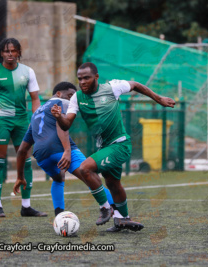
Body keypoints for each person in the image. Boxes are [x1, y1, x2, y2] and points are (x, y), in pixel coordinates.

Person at [51, 62, 175, 232]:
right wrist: (59, 116)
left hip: (120, 144)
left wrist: (159, 99)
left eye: (86, 78)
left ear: (96, 77)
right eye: (79, 79)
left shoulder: (112, 87)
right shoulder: (77, 98)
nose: (82, 82)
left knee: (85, 168)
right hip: (104, 148)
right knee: (113, 184)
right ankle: (122, 220)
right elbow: (66, 124)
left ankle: (105, 207)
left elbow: (136, 85)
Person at [13, 82, 114, 216]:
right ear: (59, 94)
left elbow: (21, 150)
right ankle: (118, 213)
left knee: (59, 179)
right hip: (60, 147)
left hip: (41, 154)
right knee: (90, 176)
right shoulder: (61, 102)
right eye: (70, 95)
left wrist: (20, 177)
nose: (73, 99)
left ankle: (59, 215)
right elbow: (61, 126)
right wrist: (67, 151)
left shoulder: (36, 114)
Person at [0, 37, 46, 218]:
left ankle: (26, 206)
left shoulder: (28, 72)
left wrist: (36, 121)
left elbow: (35, 98)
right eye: (6, 51)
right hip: (1, 122)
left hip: (22, 122)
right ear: (1, 53)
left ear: (19, 52)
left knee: (26, 160)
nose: (10, 54)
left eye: (13, 51)